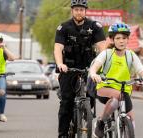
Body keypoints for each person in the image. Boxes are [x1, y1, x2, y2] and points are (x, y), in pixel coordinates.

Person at [89, 22, 143, 138]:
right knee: (116, 99)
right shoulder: (107, 54)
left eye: (124, 38)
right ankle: (100, 122)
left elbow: (141, 70)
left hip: (124, 91)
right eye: (118, 38)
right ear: (112, 40)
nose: (121, 41)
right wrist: (94, 74)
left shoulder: (131, 55)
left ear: (127, 39)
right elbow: (94, 67)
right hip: (104, 88)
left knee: (131, 119)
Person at [54, 0, 106, 137]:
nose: (79, 12)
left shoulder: (95, 26)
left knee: (90, 97)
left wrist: (99, 66)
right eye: (76, 9)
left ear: (85, 11)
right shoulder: (64, 27)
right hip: (68, 68)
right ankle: (63, 134)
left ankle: (85, 112)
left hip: (89, 68)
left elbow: (103, 48)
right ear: (72, 11)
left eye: (81, 9)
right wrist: (60, 64)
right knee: (66, 103)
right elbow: (58, 48)